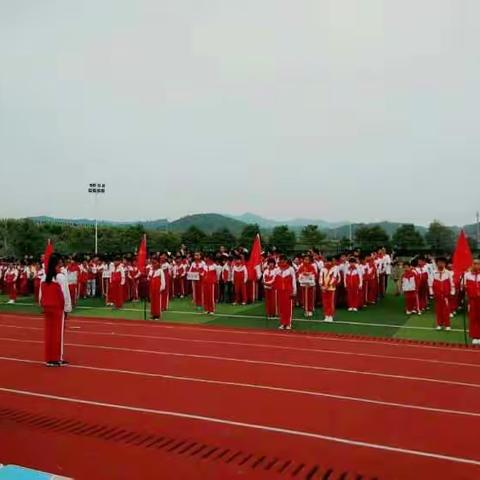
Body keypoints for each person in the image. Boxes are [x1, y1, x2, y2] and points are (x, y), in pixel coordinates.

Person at [39, 254, 72, 367]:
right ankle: (57, 358)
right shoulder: (60, 277)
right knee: (58, 334)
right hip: (58, 308)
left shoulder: (44, 277)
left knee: (49, 333)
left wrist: (42, 305)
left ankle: (49, 357)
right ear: (58, 264)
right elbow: (65, 295)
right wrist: (67, 308)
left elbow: (40, 294)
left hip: (47, 308)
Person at [429, 257, 455, 331]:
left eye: (443, 263)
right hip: (437, 295)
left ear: (445, 264)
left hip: (446, 295)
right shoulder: (433, 273)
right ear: (437, 263)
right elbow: (430, 283)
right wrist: (431, 293)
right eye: (439, 262)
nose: (441, 264)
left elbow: (452, 283)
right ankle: (439, 324)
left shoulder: (448, 273)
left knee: (446, 310)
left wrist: (452, 292)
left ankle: (447, 325)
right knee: (438, 310)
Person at [275, 255, 296, 330]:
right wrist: (266, 283)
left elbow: (293, 281)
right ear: (280, 261)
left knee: (288, 308)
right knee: (281, 308)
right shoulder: (277, 269)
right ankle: (282, 323)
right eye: (281, 260)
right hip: (280, 291)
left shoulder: (291, 269)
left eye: (284, 260)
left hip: (288, 291)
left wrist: (294, 291)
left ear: (286, 261)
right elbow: (274, 280)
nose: (283, 261)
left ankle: (288, 324)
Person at [465, 259, 480, 345]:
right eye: (474, 264)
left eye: (478, 264)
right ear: (472, 265)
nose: (476, 265)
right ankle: (475, 336)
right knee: (473, 317)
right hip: (472, 300)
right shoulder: (467, 275)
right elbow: (463, 287)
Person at [320, 257, 339, 322]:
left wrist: (328, 285)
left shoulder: (335, 268)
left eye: (330, 262)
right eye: (327, 262)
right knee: (325, 302)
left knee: (330, 302)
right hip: (324, 288)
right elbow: (321, 277)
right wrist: (322, 285)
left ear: (332, 262)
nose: (328, 263)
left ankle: (330, 315)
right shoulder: (323, 268)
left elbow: (334, 277)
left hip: (331, 287)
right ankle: (326, 315)